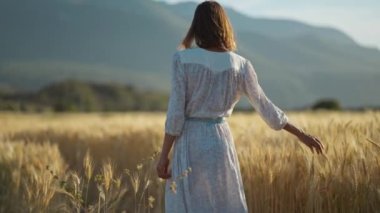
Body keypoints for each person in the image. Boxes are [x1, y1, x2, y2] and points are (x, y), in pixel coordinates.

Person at [156, 1, 324, 212]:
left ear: (196, 26)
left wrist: (164, 156)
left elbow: (175, 114)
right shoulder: (240, 64)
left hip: (190, 141)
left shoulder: (182, 59)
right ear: (224, 25)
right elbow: (266, 107)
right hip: (220, 141)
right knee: (222, 203)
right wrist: (301, 134)